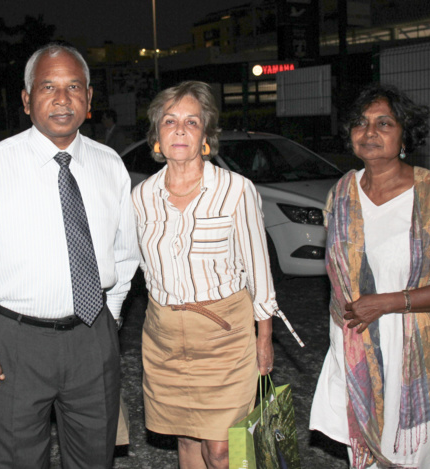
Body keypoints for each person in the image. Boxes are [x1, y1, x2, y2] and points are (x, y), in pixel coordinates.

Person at [0, 43, 140, 468]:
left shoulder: (109, 164)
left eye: (73, 87)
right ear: (26, 99)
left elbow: (126, 252)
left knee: (95, 457)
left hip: (93, 338)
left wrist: (109, 317)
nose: (61, 98)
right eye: (48, 87)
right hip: (15, 342)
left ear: (89, 99)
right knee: (15, 459)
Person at [130, 81, 303, 469]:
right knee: (186, 437)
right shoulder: (141, 197)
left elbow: (259, 268)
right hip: (164, 338)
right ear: (156, 134)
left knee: (222, 450)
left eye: (191, 122)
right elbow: (141, 266)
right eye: (169, 121)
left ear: (205, 136)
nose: (179, 130)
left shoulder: (236, 190)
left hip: (225, 336)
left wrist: (264, 338)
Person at [309, 84, 430, 469]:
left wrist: (389, 302)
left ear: (405, 135)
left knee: (421, 457)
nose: (369, 132)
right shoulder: (341, 194)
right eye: (360, 123)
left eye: (384, 123)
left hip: (420, 354)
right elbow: (339, 282)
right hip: (357, 349)